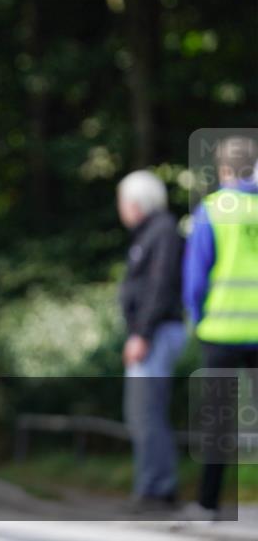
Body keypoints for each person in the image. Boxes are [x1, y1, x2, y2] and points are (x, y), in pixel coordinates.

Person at [183, 136, 258, 520]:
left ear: (224, 170)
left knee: (218, 424)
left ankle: (208, 504)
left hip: (222, 332)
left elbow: (196, 278)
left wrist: (198, 320)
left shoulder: (213, 210)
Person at [116, 170, 186, 511]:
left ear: (135, 202)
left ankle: (157, 490)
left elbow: (159, 287)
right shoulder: (151, 233)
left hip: (156, 333)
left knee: (146, 413)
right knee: (143, 412)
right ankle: (154, 487)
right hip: (151, 332)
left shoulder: (162, 232)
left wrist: (142, 333)